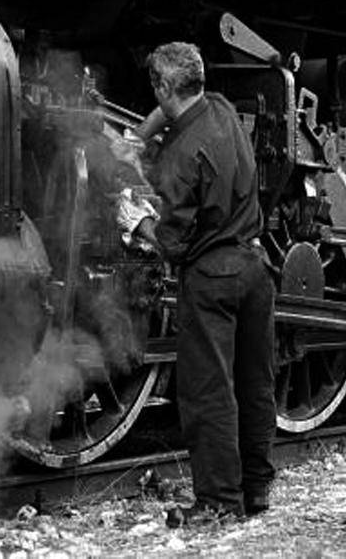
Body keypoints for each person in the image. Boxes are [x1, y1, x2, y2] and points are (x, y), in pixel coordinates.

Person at [117, 42, 276, 526]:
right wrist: (141, 136)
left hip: (212, 277)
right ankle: (256, 490)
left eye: (157, 89)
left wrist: (136, 221)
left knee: (209, 392)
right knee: (254, 383)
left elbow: (174, 244)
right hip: (256, 266)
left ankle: (218, 505)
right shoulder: (224, 110)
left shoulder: (180, 160)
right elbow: (173, 113)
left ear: (165, 88)